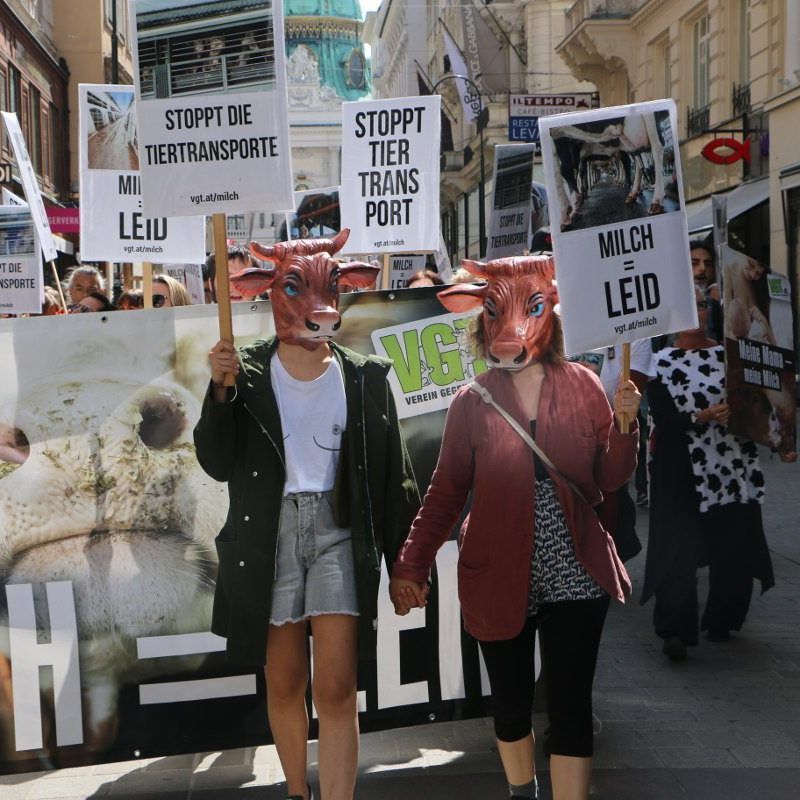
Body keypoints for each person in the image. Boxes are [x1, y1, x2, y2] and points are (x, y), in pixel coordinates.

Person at [389, 255, 640, 800]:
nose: (512, 327)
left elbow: (609, 480)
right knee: (509, 702)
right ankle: (521, 791)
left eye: (531, 308)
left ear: (551, 314)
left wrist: (625, 427)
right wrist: (411, 563)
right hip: (497, 564)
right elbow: (446, 491)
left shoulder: (585, 386)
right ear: (482, 318)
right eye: (497, 311)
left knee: (572, 703)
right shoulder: (471, 400)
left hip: (575, 562)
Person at [194, 230, 418, 800]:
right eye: (298, 288)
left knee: (338, 688)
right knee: (285, 681)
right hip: (268, 532)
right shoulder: (241, 373)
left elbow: (396, 475)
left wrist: (407, 564)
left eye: (332, 288)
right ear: (270, 294)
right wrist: (219, 395)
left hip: (338, 530)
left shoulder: (365, 377)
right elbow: (216, 463)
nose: (321, 306)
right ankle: (298, 790)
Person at [641, 288, 774, 662]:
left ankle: (723, 618)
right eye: (685, 305)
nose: (694, 312)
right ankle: (676, 631)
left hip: (730, 464)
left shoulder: (731, 357)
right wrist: (701, 417)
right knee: (678, 549)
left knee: (732, 545)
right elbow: (664, 421)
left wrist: (781, 441)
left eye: (699, 304)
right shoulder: (659, 363)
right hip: (680, 467)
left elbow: (759, 406)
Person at [592, 340, 654, 556]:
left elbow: (630, 395)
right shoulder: (555, 319)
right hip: (565, 443)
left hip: (613, 437)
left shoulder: (634, 333)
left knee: (611, 497)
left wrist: (624, 410)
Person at [689, 240, 723, 342]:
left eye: (708, 264)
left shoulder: (715, 306)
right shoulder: (665, 307)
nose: (702, 268)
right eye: (694, 263)